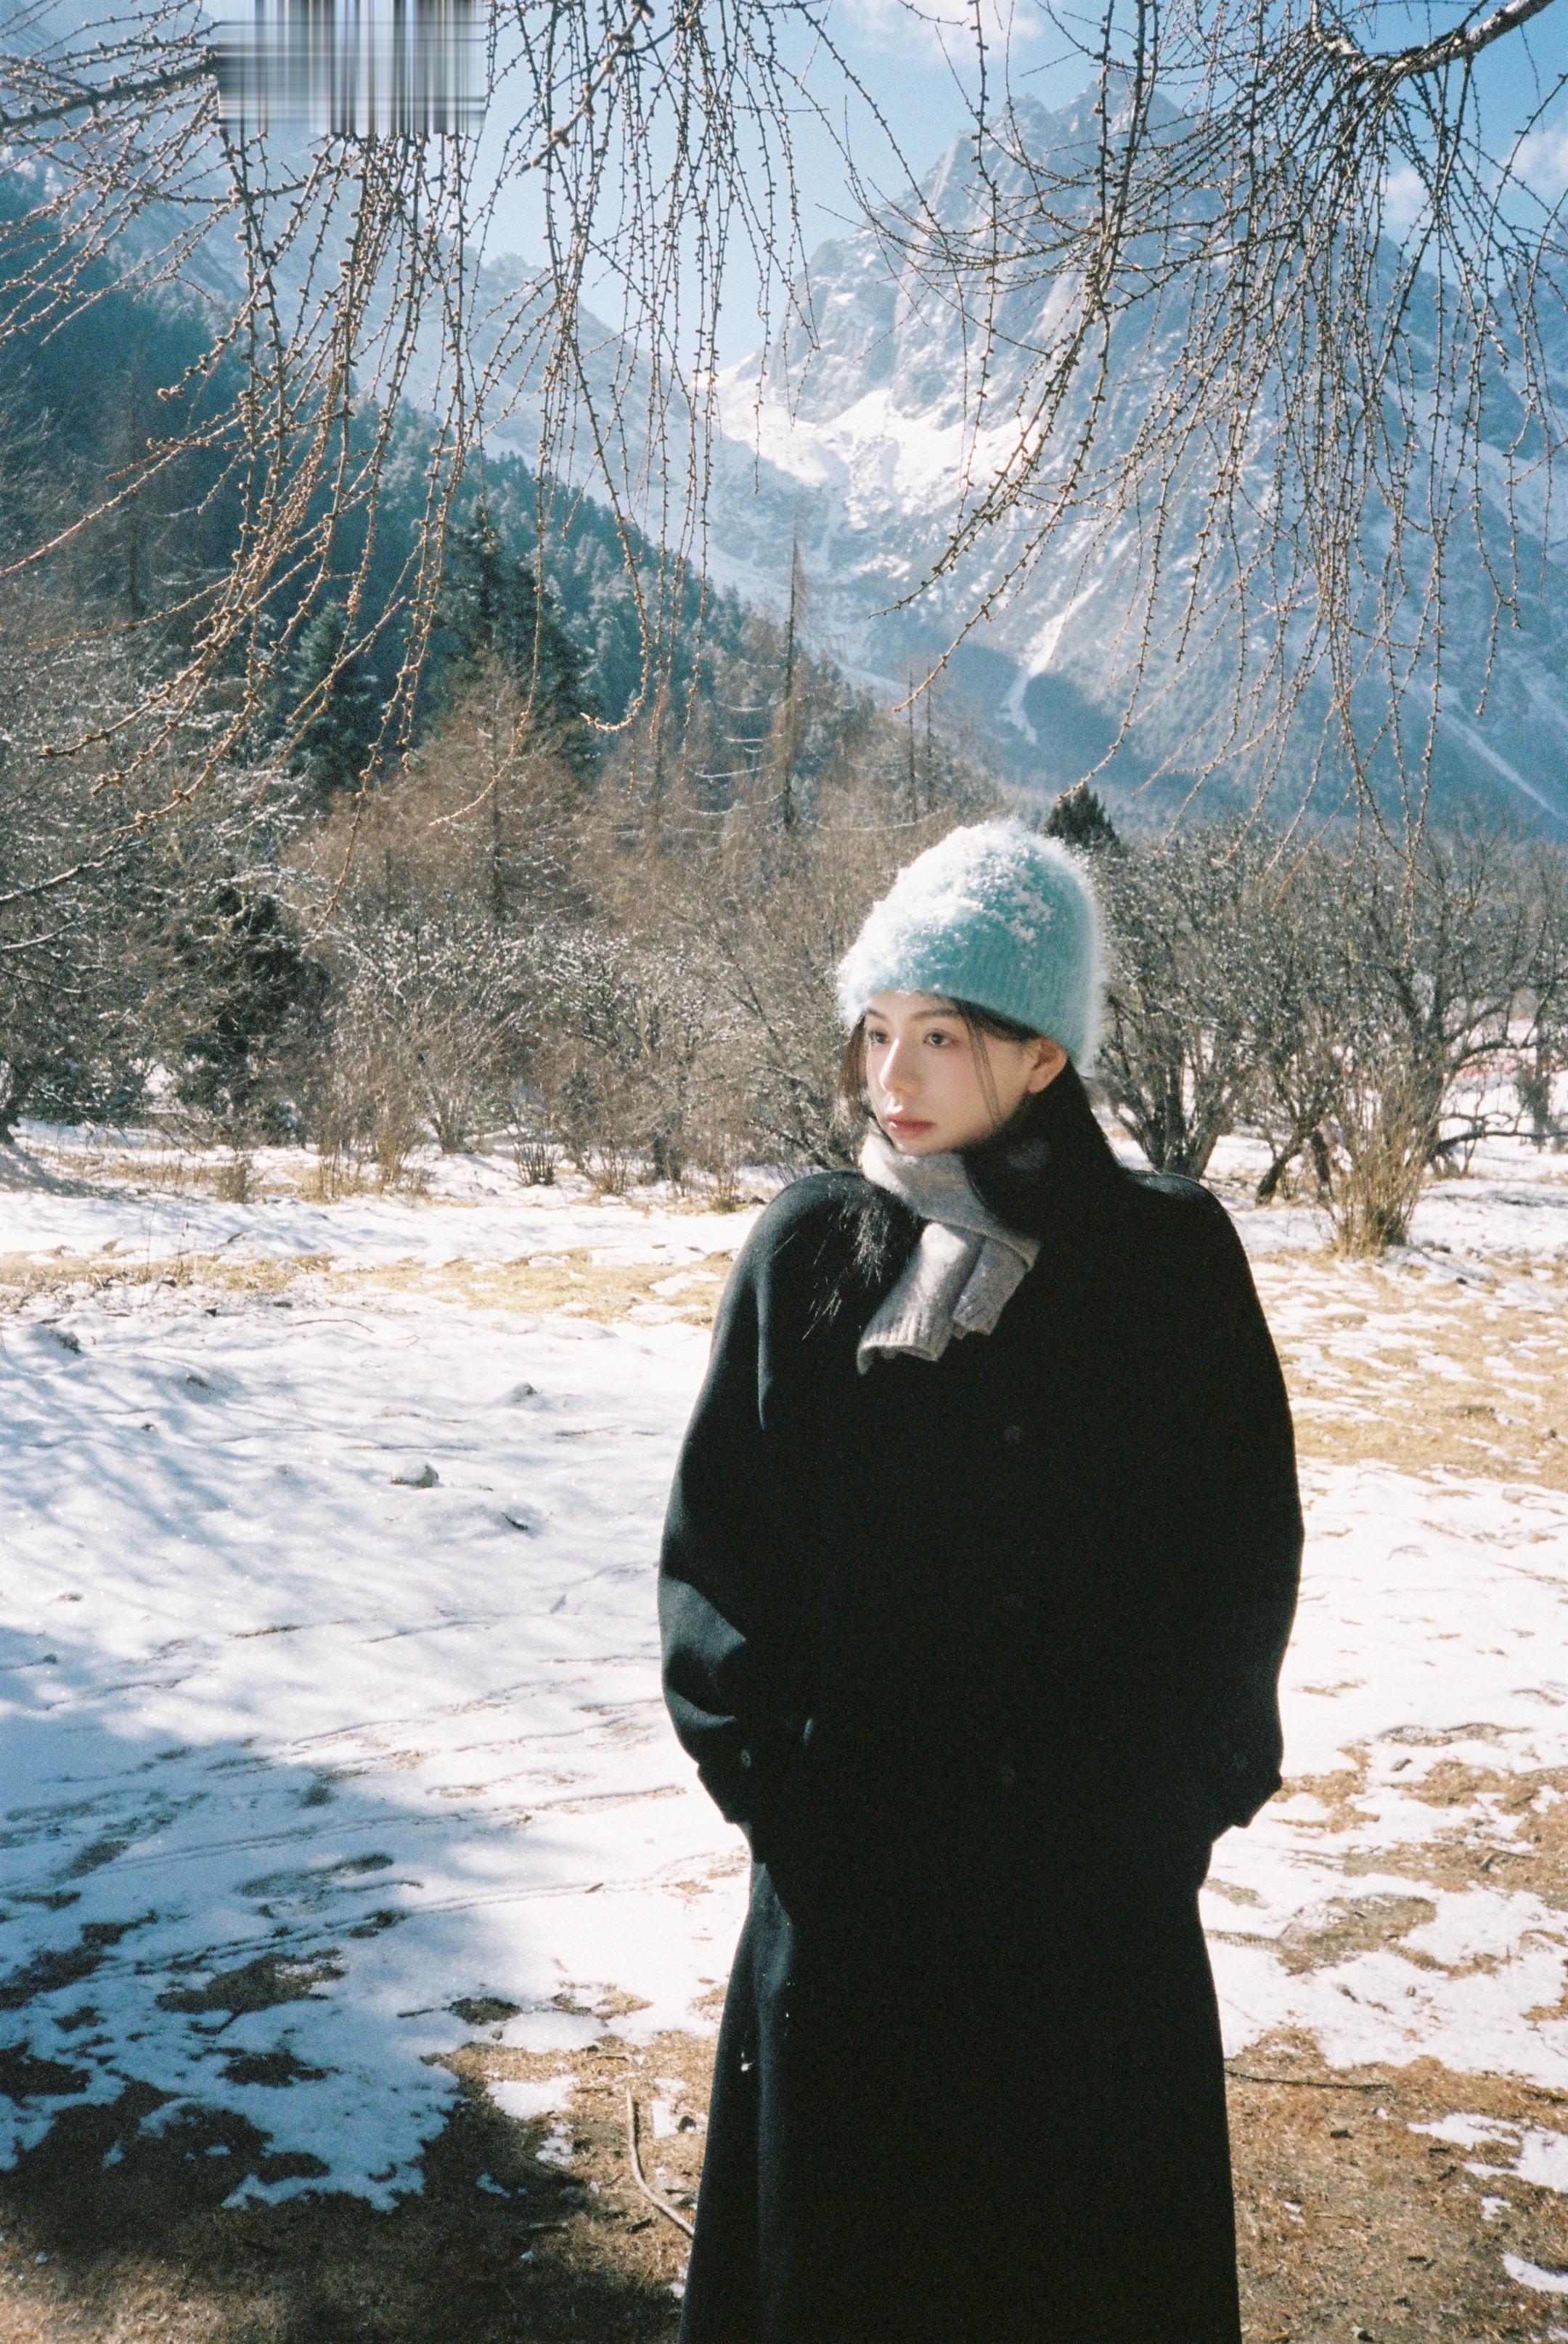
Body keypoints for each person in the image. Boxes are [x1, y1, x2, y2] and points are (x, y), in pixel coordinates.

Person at [658, 818, 1302, 2344]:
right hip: (858, 1899)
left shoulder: (1166, 1260)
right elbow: (719, 1555)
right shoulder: (813, 1247)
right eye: (876, 1028)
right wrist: (786, 1794)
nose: (892, 1074)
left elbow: (1239, 1557)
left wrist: (1173, 1807)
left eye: (940, 1035)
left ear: (1042, 1056)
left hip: (1092, 1913)